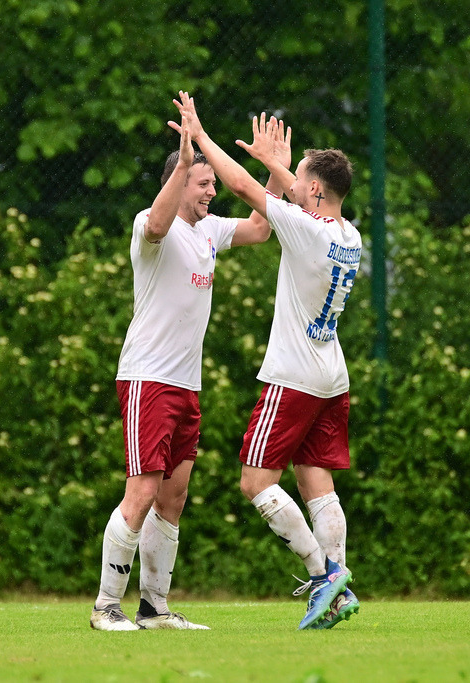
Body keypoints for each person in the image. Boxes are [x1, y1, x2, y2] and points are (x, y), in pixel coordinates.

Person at [90, 108, 288, 631]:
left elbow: (261, 227)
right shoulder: (150, 227)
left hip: (186, 386)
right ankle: (105, 607)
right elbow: (157, 223)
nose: (211, 192)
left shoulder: (209, 232)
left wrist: (270, 167)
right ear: (178, 184)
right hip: (147, 380)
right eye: (203, 183)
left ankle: (154, 608)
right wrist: (183, 163)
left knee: (173, 497)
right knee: (143, 492)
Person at [171, 91, 362, 630]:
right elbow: (297, 197)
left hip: (294, 376)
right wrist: (280, 163)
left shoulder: (303, 227)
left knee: (255, 482)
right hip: (332, 375)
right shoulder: (349, 234)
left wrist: (202, 139)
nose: (293, 184)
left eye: (300, 179)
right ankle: (339, 586)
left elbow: (242, 189)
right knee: (315, 479)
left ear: (315, 191)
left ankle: (325, 575)